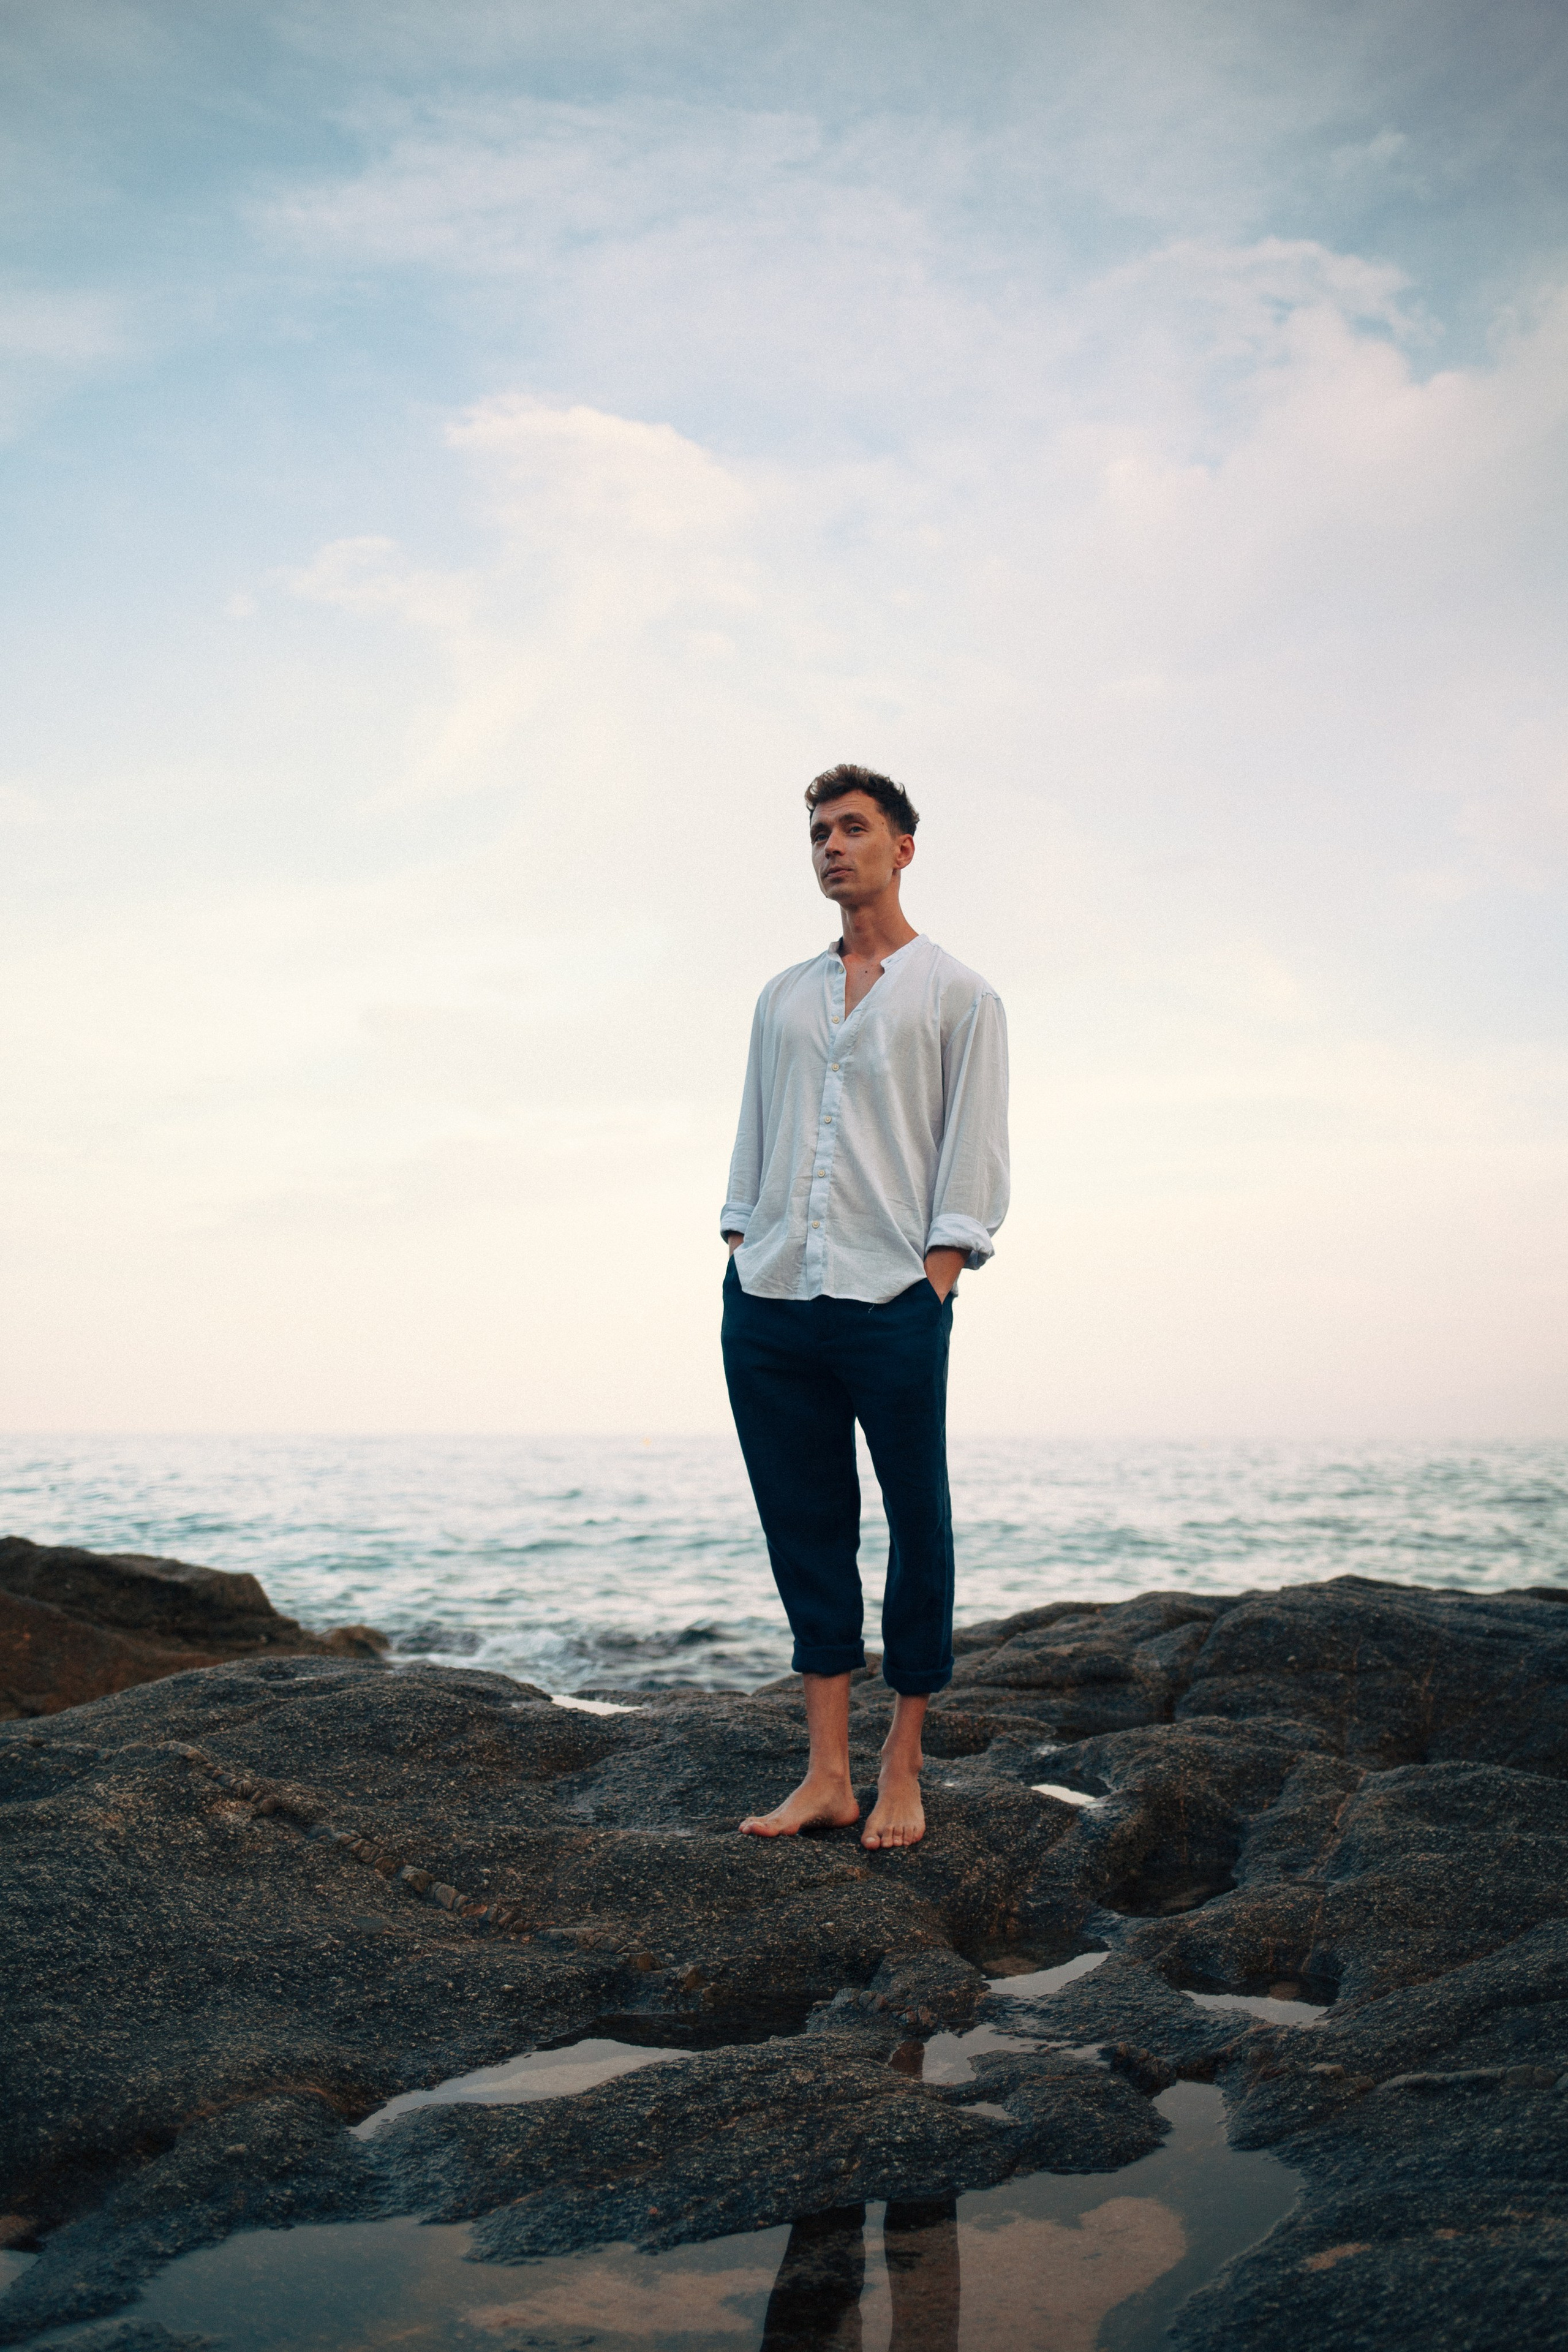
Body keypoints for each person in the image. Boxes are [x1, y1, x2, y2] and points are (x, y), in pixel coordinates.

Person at [720, 762, 1009, 1850]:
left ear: (903, 847)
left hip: (891, 1298)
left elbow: (973, 1159)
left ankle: (901, 1767)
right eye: (819, 835)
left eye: (852, 829)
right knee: (806, 1531)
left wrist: (934, 1277)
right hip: (772, 1299)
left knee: (916, 1525)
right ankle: (827, 1775)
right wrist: (741, 1244)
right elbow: (753, 1136)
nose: (832, 848)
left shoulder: (959, 994)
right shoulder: (782, 997)